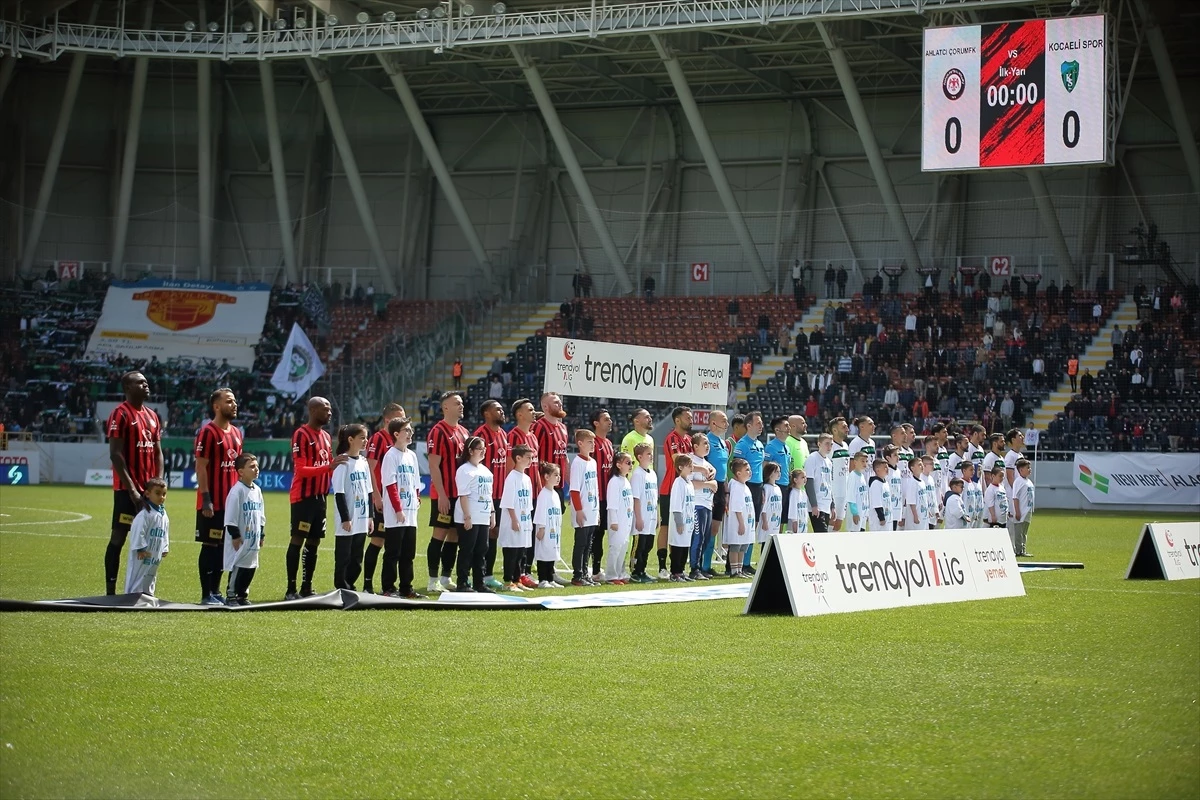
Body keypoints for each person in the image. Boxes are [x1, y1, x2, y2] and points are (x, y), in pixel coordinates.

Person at [104, 371, 164, 596]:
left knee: (151, 542)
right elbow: (115, 454)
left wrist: (157, 485)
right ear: (128, 388)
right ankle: (110, 592)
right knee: (118, 539)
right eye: (140, 382)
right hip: (127, 491)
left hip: (149, 494)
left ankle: (142, 590)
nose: (146, 385)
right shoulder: (119, 414)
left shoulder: (152, 416)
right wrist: (132, 491)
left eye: (146, 382)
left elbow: (158, 451)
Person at [286, 397, 348, 600]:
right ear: (313, 410)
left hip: (320, 498)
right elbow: (301, 470)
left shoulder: (326, 436)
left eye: (330, 409)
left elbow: (328, 466)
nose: (329, 413)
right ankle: (291, 589)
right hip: (303, 497)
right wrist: (329, 467)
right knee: (297, 540)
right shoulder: (301, 435)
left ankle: (306, 586)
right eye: (325, 409)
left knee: (314, 543)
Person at [194, 387, 242, 605]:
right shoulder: (207, 432)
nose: (234, 405)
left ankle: (216, 591)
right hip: (212, 501)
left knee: (224, 547)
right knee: (210, 545)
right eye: (229, 401)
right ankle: (206, 594)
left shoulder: (237, 433)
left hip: (230, 503)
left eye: (234, 401)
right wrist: (206, 498)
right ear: (216, 406)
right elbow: (201, 467)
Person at [426, 392, 468, 594]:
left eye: (461, 403)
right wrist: (441, 495)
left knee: (454, 537)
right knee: (439, 536)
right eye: (456, 403)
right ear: (445, 408)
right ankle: (432, 580)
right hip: (444, 494)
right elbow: (433, 466)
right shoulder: (438, 431)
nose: (461, 406)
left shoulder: (464, 432)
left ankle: (446, 577)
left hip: (459, 495)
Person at [378, 417, 423, 598]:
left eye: (411, 429)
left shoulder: (411, 455)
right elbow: (390, 485)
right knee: (393, 552)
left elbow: (416, 482)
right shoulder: (391, 456)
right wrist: (398, 509)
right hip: (397, 513)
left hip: (411, 512)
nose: (410, 433)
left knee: (408, 553)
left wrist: (417, 498)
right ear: (396, 434)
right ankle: (388, 588)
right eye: (407, 430)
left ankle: (406, 587)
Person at [364, 403, 405, 593]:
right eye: (399, 418)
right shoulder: (378, 439)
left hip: (397, 501)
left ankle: (390, 585)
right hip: (382, 499)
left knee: (395, 544)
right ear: (388, 420)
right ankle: (367, 584)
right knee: (378, 541)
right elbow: (370, 468)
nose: (403, 422)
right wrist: (377, 496)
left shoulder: (401, 442)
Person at [474, 399, 512, 591]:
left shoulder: (504, 435)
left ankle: (487, 575)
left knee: (494, 534)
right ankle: (477, 576)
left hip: (499, 494)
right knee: (482, 537)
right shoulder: (480, 435)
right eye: (497, 409)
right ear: (487, 413)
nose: (502, 411)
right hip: (483, 495)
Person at [657, 406, 698, 579]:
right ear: (677, 420)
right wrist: (703, 469)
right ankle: (662, 566)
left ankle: (677, 568)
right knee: (667, 526)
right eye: (688, 417)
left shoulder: (689, 440)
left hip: (686, 488)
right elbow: (678, 461)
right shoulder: (671, 438)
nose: (691, 420)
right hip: (670, 488)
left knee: (682, 527)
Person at [331, 424, 372, 591]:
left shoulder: (363, 462)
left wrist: (370, 517)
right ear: (350, 439)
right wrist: (345, 518)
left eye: (366, 438)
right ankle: (341, 586)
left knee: (357, 557)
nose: (365, 441)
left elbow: (369, 490)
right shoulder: (343, 462)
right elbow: (339, 493)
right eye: (362, 438)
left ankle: (350, 585)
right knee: (344, 556)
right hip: (348, 519)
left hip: (362, 518)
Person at [453, 436, 495, 593]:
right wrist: (467, 516)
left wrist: (492, 513)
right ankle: (462, 583)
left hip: (483, 516)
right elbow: (463, 495)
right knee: (467, 550)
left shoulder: (486, 471)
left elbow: (489, 494)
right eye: (480, 449)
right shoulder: (464, 470)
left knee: (481, 550)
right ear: (470, 451)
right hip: (469, 516)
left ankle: (479, 582)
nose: (483, 451)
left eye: (484, 448)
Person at [223, 454, 264, 605]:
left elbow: (261, 514)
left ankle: (243, 594)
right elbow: (230, 517)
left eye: (256, 466)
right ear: (241, 472)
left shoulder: (257, 490)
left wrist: (262, 533)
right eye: (252, 467)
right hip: (241, 537)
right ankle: (231, 595)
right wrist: (235, 535)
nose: (256, 469)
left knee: (251, 565)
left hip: (253, 536)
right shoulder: (237, 491)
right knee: (238, 564)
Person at [124, 477, 170, 595]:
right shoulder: (145, 514)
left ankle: (148, 594)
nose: (162, 497)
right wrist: (140, 548)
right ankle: (133, 594)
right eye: (158, 493)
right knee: (138, 572)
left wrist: (165, 547)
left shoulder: (163, 514)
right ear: (148, 494)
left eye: (164, 494)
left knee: (151, 573)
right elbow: (138, 531)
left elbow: (165, 531)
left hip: (155, 552)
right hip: (143, 552)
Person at [733, 411, 765, 575]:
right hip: (747, 486)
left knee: (754, 523)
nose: (761, 425)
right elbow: (736, 468)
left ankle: (746, 562)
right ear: (749, 426)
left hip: (758, 486)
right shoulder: (741, 445)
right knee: (743, 522)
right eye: (758, 423)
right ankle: (735, 564)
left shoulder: (760, 444)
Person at [499, 445, 535, 593]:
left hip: (524, 521)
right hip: (514, 521)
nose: (530, 461)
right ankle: (508, 581)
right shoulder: (512, 477)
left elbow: (528, 503)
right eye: (528, 458)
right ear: (518, 458)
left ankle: (517, 579)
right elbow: (508, 502)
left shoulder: (526, 478)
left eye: (531, 458)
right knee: (511, 552)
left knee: (521, 552)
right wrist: (514, 520)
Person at [569, 429, 600, 586]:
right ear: (580, 443)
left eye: (593, 442)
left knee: (588, 544)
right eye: (589, 442)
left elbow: (595, 487)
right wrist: (579, 510)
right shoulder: (577, 463)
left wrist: (597, 509)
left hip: (592, 509)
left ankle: (585, 573)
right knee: (580, 543)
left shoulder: (593, 462)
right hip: (582, 510)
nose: (593, 444)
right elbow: (574, 490)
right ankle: (577, 575)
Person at [589, 408, 615, 583]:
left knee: (602, 533)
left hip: (608, 497)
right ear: (596, 423)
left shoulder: (608, 443)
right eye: (606, 419)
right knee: (594, 534)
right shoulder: (593, 444)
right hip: (595, 497)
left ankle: (597, 569)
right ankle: (593, 569)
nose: (610, 421)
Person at [704, 411, 731, 575]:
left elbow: (724, 469)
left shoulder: (723, 442)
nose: (727, 423)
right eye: (724, 421)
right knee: (705, 527)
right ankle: (700, 565)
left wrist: (726, 492)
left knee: (715, 527)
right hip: (710, 487)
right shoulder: (707, 441)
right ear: (713, 423)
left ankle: (707, 565)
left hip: (721, 487)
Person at [629, 442, 659, 584]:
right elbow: (636, 497)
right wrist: (639, 518)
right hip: (642, 517)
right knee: (639, 546)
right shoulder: (637, 474)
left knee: (648, 545)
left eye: (651, 453)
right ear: (640, 457)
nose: (651, 456)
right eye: (648, 454)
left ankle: (643, 570)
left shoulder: (652, 474)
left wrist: (657, 515)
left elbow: (654, 497)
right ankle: (635, 571)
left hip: (651, 517)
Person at [533, 463, 565, 588]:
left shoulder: (555, 494)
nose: (558, 477)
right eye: (555, 475)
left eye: (559, 475)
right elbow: (540, 511)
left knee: (552, 552)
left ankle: (550, 578)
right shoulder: (543, 494)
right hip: (545, 529)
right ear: (546, 477)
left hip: (554, 529)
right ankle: (542, 579)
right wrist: (541, 527)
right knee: (543, 552)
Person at [604, 451, 634, 585]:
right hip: (618, 521)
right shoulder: (614, 482)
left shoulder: (626, 481)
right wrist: (614, 521)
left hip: (626, 519)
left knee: (623, 547)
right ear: (618, 465)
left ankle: (620, 572)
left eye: (631, 462)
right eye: (628, 463)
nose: (630, 465)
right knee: (615, 547)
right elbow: (612, 504)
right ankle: (611, 575)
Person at [534, 393, 569, 504]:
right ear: (545, 407)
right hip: (543, 487)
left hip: (559, 486)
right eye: (556, 403)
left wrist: (571, 485)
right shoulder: (538, 427)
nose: (560, 404)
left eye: (560, 402)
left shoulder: (563, 428)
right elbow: (532, 458)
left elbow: (564, 458)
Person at [724, 458, 754, 579]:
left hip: (747, 522)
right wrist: (741, 523)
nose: (750, 472)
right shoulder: (736, 486)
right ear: (738, 473)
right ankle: (734, 570)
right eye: (747, 470)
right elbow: (737, 507)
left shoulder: (744, 486)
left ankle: (740, 569)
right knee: (736, 546)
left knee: (743, 546)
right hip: (738, 522)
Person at [804, 433, 834, 533]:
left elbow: (829, 485)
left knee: (822, 536)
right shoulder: (812, 458)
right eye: (826, 444)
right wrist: (814, 505)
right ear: (819, 444)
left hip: (826, 504)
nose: (829, 447)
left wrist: (832, 506)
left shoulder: (829, 462)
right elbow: (809, 482)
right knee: (822, 534)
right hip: (817, 505)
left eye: (831, 444)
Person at [827, 417, 851, 531]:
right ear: (835, 430)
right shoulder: (830, 447)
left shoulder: (846, 445)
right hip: (834, 491)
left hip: (844, 490)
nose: (847, 428)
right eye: (844, 427)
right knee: (832, 520)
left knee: (839, 523)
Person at [1010, 458, 1035, 557]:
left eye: (1030, 467)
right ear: (1021, 470)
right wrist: (1017, 511)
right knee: (1019, 532)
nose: (1030, 469)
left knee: (1024, 532)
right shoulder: (1018, 481)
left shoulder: (1028, 481)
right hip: (1021, 511)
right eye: (1027, 468)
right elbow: (1015, 497)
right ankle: (1018, 550)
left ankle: (1023, 549)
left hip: (1028, 510)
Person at [757, 461, 783, 551]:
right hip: (768, 521)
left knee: (774, 544)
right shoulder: (766, 488)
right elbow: (764, 507)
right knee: (766, 543)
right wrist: (764, 521)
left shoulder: (778, 488)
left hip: (776, 521)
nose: (779, 474)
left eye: (779, 471)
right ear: (770, 473)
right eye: (776, 472)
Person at [844, 452, 869, 532]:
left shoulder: (861, 476)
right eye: (862, 461)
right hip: (855, 514)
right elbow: (851, 496)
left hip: (862, 513)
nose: (865, 463)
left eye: (866, 461)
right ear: (855, 462)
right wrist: (854, 513)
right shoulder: (853, 476)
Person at [867, 458, 892, 533]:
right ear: (877, 469)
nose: (887, 469)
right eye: (884, 467)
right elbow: (877, 503)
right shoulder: (875, 484)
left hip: (888, 519)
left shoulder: (886, 483)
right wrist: (881, 518)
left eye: (887, 467)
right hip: (879, 522)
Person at [883, 445, 904, 530]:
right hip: (888, 507)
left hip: (897, 507)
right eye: (895, 455)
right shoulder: (885, 471)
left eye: (898, 454)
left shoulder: (898, 471)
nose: (898, 457)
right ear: (888, 457)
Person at [960, 462, 985, 529]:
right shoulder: (961, 483)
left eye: (974, 470)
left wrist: (974, 513)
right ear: (964, 471)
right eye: (971, 470)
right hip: (964, 517)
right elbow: (960, 500)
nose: (973, 472)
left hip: (972, 515)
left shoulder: (971, 484)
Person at [786, 470, 810, 534]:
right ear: (795, 480)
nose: (805, 479)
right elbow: (792, 508)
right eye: (802, 477)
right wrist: (794, 521)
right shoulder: (793, 493)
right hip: (795, 523)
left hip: (803, 522)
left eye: (805, 477)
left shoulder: (803, 492)